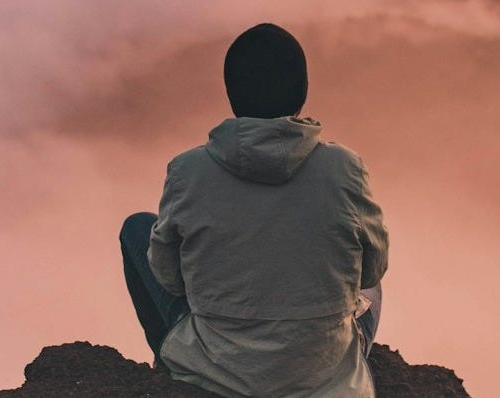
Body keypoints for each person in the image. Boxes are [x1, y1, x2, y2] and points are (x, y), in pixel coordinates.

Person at [119, 23, 389, 397]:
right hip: (322, 375)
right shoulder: (345, 168)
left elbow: (169, 278)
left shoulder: (187, 170)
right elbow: (371, 271)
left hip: (219, 368)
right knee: (371, 278)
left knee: (137, 227)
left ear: (233, 94)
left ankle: (171, 366)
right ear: (302, 92)